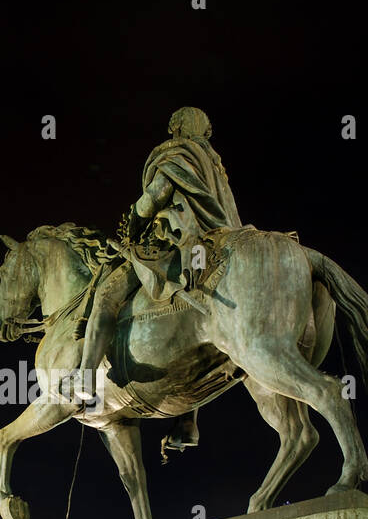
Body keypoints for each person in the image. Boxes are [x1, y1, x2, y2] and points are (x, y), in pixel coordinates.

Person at [72, 107, 242, 451]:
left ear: (175, 127)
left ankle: (85, 377)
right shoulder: (213, 161)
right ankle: (187, 419)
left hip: (175, 241)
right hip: (219, 242)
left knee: (106, 294)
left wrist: (134, 217)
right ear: (206, 131)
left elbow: (159, 192)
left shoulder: (176, 152)